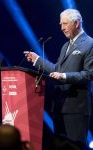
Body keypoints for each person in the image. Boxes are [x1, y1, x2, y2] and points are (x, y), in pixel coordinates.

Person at [24, 8, 93, 146]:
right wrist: (38, 60)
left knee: (75, 146)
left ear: (77, 23)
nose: (62, 28)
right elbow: (57, 70)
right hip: (60, 107)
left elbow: (89, 74)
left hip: (76, 108)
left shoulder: (90, 44)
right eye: (61, 24)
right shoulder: (65, 46)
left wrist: (65, 76)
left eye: (65, 24)